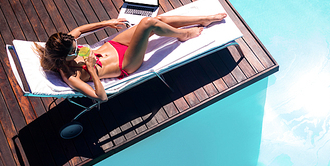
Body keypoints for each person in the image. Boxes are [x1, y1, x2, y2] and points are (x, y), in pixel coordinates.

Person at [36, 13, 227, 102]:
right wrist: (93, 71)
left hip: (116, 45)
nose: (77, 49)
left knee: (158, 20)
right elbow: (101, 97)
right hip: (125, 63)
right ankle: (183, 35)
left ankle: (203, 19)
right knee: (148, 23)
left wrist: (107, 23)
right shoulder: (71, 76)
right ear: (63, 58)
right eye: (74, 51)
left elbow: (79, 30)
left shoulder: (67, 44)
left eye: (76, 45)